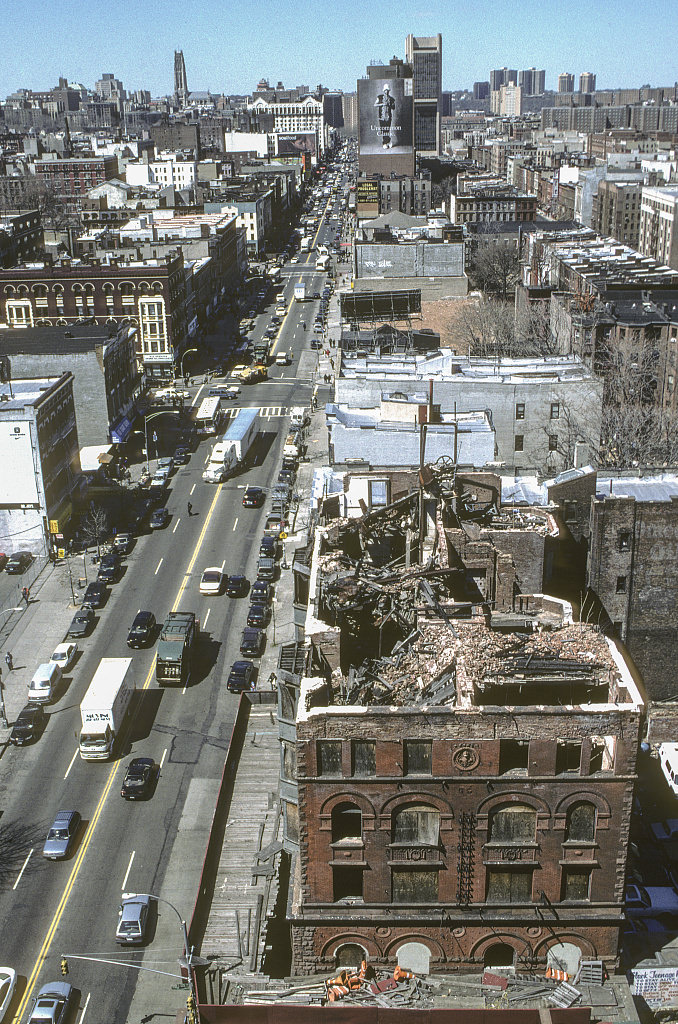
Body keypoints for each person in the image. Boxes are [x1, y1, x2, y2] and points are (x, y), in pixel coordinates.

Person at [374, 84, 396, 149]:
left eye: (387, 90)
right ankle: (385, 142)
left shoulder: (391, 99)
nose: (386, 91)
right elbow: (375, 105)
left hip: (388, 117)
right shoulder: (380, 97)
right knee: (383, 130)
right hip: (381, 117)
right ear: (384, 90)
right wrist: (382, 104)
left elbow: (393, 108)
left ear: (389, 91)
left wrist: (389, 104)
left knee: (387, 129)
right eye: (385, 90)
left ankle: (387, 142)